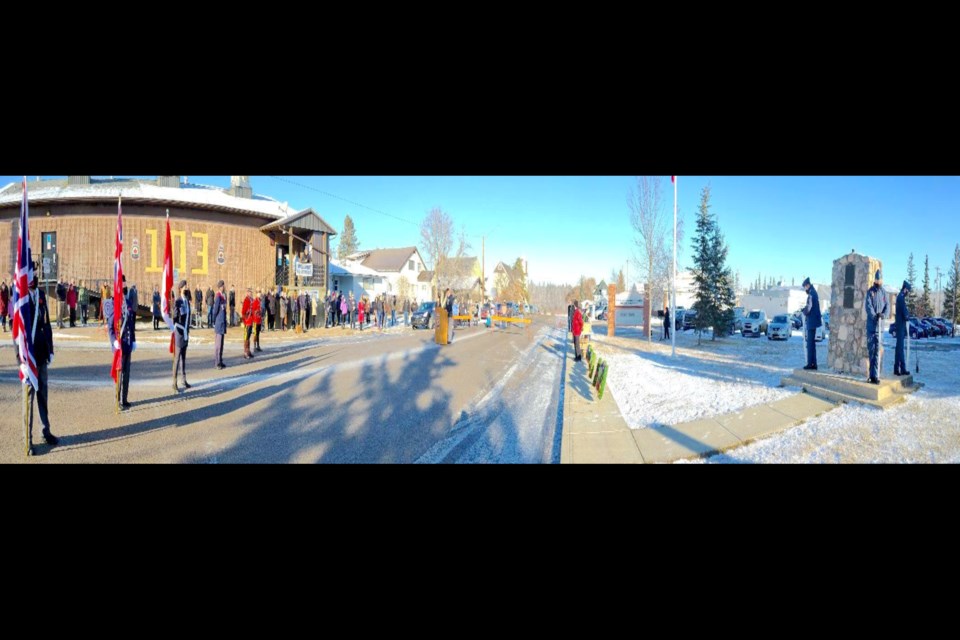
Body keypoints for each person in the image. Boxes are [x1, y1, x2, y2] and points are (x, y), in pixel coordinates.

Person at [15, 264, 58, 455]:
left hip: (41, 355)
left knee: (43, 396)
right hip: (28, 359)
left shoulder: (40, 295)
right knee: (29, 399)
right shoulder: (21, 297)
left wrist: (50, 349)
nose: (34, 276)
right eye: (31, 273)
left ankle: (45, 431)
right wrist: (20, 360)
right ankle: (28, 440)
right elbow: (16, 331)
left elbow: (46, 323)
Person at [108, 277, 137, 408]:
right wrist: (113, 341)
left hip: (128, 344)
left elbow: (131, 324)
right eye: (122, 285)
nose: (124, 288)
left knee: (127, 374)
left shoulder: (129, 303)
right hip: (119, 345)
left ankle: (124, 399)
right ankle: (117, 400)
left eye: (125, 285)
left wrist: (134, 340)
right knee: (119, 374)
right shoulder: (115, 304)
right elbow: (110, 327)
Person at [865, 269, 889, 384]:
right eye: (877, 279)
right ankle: (871, 376)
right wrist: (875, 316)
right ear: (874, 280)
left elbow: (887, 306)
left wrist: (883, 315)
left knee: (878, 352)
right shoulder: (870, 292)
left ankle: (877, 375)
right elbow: (868, 307)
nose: (878, 281)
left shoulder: (884, 293)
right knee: (872, 351)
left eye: (880, 279)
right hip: (871, 327)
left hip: (880, 329)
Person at [172, 280, 192, 392]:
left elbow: (188, 318)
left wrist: (187, 331)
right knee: (177, 358)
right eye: (184, 286)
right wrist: (181, 330)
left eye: (186, 286)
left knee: (183, 358)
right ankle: (174, 382)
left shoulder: (187, 302)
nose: (186, 288)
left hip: (185, 333)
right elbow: (174, 319)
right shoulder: (178, 302)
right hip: (179, 333)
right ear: (180, 289)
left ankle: (183, 380)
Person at [800, 277, 822, 370]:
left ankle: (810, 363)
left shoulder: (811, 294)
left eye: (805, 287)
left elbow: (809, 307)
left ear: (807, 285)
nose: (805, 288)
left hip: (811, 322)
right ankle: (814, 364)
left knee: (810, 343)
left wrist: (803, 311)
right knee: (812, 343)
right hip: (814, 321)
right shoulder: (814, 292)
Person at [893, 280, 912, 376]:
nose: (908, 292)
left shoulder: (900, 297)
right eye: (908, 290)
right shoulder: (900, 298)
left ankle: (896, 368)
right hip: (900, 325)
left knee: (898, 348)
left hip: (900, 325)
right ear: (905, 289)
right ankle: (902, 368)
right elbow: (904, 312)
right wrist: (908, 316)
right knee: (900, 348)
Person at [212, 279, 227, 369]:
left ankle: (220, 361)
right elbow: (215, 310)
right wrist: (214, 321)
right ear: (220, 287)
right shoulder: (218, 296)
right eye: (223, 286)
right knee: (218, 344)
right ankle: (216, 362)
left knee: (222, 344)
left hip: (223, 322)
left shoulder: (223, 296)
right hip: (219, 322)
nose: (224, 287)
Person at [242, 286, 255, 358]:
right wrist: (245, 320)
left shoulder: (252, 300)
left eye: (251, 292)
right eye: (249, 292)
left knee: (249, 336)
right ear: (247, 293)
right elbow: (243, 311)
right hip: (247, 321)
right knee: (246, 337)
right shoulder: (246, 300)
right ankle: (245, 352)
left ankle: (248, 351)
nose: (250, 293)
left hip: (251, 321)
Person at [253, 287, 264, 352]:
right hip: (255, 320)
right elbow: (254, 310)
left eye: (260, 293)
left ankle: (258, 345)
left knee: (258, 333)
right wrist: (257, 311)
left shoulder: (260, 301)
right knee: (255, 333)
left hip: (259, 319)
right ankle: (254, 346)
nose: (259, 294)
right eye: (258, 293)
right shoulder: (255, 301)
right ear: (256, 294)